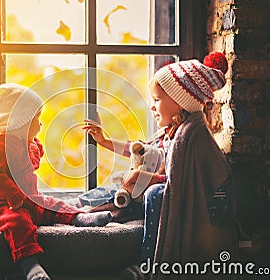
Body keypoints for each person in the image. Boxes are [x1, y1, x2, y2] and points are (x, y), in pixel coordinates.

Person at [83, 52, 237, 279]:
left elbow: (180, 181)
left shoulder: (192, 134)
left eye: (157, 99)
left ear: (179, 101)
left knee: (154, 194)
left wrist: (142, 178)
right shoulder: (174, 131)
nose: (153, 107)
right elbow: (143, 149)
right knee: (125, 183)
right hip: (188, 191)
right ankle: (84, 209)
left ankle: (149, 265)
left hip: (212, 203)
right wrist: (105, 142)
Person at [0, 83, 112, 280]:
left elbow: (31, 162)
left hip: (30, 199)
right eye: (36, 119)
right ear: (17, 123)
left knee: (54, 204)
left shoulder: (25, 143)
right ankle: (30, 265)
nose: (40, 124)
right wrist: (11, 194)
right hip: (2, 205)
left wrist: (34, 149)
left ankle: (80, 218)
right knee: (18, 223)